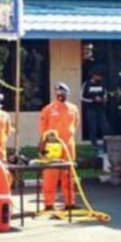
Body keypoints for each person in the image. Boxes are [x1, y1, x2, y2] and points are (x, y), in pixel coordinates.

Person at [38, 82, 79, 210]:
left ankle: (69, 202)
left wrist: (69, 137)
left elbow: (75, 124)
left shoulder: (73, 108)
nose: (60, 95)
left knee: (68, 174)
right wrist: (44, 144)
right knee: (50, 174)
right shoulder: (48, 109)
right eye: (58, 93)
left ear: (67, 94)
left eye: (63, 93)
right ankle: (49, 204)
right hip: (52, 146)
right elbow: (43, 128)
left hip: (68, 144)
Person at [80, 69, 112, 148]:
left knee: (105, 127)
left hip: (101, 109)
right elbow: (82, 97)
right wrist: (93, 99)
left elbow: (105, 93)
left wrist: (104, 98)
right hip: (90, 109)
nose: (99, 78)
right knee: (92, 128)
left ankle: (106, 146)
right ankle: (94, 146)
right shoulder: (87, 84)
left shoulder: (102, 83)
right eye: (98, 76)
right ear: (93, 76)